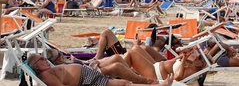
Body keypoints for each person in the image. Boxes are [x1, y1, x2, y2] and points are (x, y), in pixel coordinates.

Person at [27, 53, 174, 86]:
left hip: (87, 74)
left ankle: (153, 83)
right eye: (41, 59)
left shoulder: (48, 70)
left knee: (123, 81)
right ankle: (156, 84)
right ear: (36, 66)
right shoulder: (46, 76)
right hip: (86, 80)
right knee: (124, 84)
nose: (45, 59)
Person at [45, 48, 156, 84]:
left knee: (117, 58)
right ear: (55, 61)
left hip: (92, 67)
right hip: (93, 73)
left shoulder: (65, 63)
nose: (62, 55)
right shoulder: (62, 69)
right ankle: (146, 81)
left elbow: (82, 64)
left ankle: (137, 77)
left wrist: (88, 61)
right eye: (59, 55)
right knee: (117, 65)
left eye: (60, 52)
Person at [123, 45, 205, 82]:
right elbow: (171, 62)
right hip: (156, 66)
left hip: (156, 75)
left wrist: (183, 59)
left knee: (131, 53)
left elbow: (177, 77)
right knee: (136, 48)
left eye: (200, 58)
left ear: (202, 65)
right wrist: (180, 56)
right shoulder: (191, 63)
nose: (197, 57)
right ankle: (122, 70)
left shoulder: (193, 71)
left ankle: (118, 75)